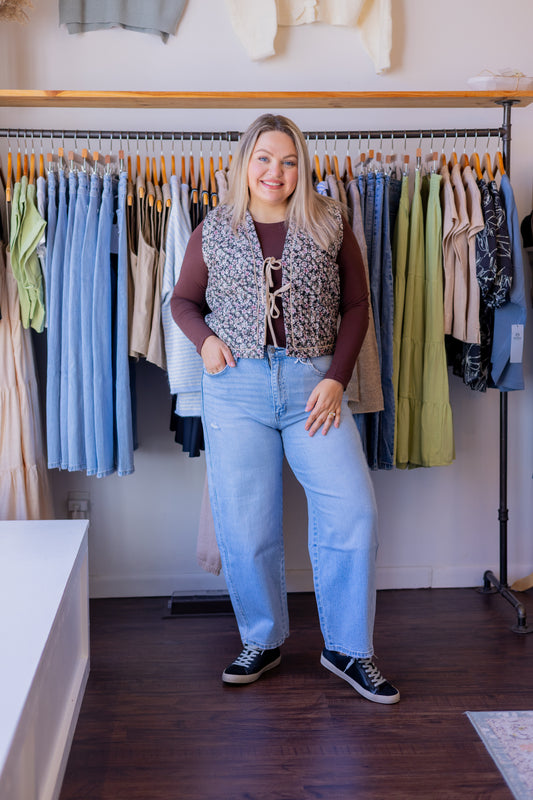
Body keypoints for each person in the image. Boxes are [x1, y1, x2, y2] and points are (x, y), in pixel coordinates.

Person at [171, 114, 399, 705]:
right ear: (245, 163)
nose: (277, 172)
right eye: (265, 159)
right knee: (246, 524)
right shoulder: (214, 228)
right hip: (236, 389)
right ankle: (262, 639)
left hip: (312, 391)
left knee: (353, 511)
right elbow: (183, 302)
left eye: (289, 160)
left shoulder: (329, 222)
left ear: (302, 166)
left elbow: (357, 305)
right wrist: (207, 342)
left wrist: (337, 378)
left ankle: (350, 648)